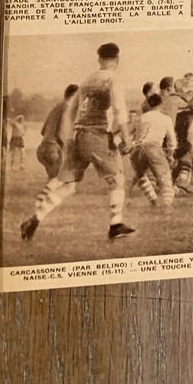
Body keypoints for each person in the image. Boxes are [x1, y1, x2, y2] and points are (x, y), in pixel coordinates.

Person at [20, 42, 135, 243]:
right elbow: (119, 110)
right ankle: (115, 224)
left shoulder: (86, 80)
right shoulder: (113, 79)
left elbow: (72, 111)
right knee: (117, 179)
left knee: (68, 185)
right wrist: (126, 139)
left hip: (78, 135)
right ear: (117, 60)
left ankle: (34, 220)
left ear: (99, 59)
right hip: (95, 134)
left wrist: (72, 136)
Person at [131, 92, 176, 208]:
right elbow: (172, 141)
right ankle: (167, 205)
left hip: (137, 150)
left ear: (149, 105)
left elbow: (128, 135)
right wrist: (170, 156)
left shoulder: (140, 118)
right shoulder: (165, 119)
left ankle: (154, 202)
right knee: (165, 179)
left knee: (141, 176)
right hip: (153, 148)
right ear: (161, 105)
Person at [35, 84, 79, 180]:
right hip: (53, 150)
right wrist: (65, 147)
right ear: (74, 95)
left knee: (52, 181)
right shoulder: (67, 107)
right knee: (59, 182)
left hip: (42, 149)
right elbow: (61, 131)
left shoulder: (56, 107)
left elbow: (42, 131)